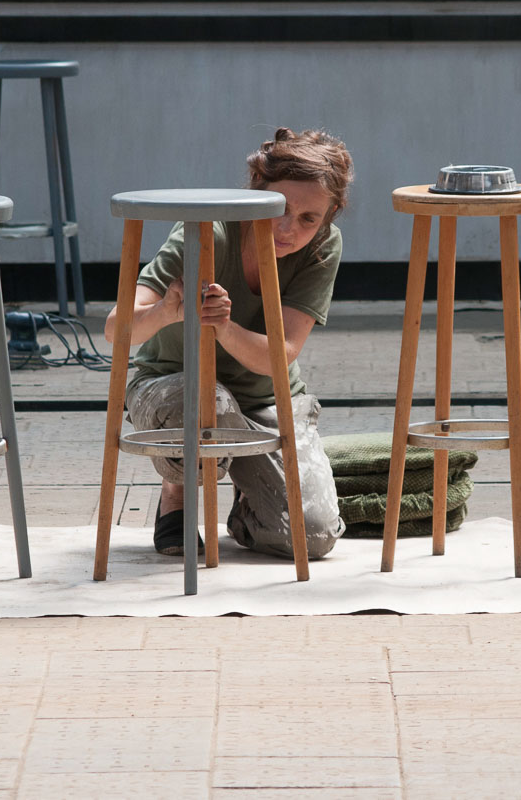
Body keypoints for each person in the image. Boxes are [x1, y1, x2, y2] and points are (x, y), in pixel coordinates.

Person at [104, 128, 353, 559]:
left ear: (329, 215)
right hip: (172, 384)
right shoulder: (208, 232)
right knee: (208, 402)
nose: (287, 228)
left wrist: (224, 328)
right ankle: (177, 494)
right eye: (280, 209)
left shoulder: (322, 249)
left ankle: (247, 498)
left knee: (313, 538)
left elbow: (283, 355)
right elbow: (114, 331)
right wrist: (167, 310)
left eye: (309, 219)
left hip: (264, 399)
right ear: (257, 192)